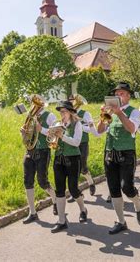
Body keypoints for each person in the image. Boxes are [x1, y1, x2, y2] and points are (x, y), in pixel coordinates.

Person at [97, 82, 140, 235]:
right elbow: (99, 131)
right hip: (110, 153)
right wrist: (102, 116)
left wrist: (119, 113)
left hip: (126, 154)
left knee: (127, 188)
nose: (118, 96)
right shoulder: (110, 112)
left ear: (128, 96)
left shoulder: (133, 111)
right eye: (116, 94)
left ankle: (138, 205)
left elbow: (132, 129)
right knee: (114, 189)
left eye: (122, 93)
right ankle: (121, 221)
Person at [51, 100, 87, 233]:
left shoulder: (77, 124)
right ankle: (61, 221)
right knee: (59, 190)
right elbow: (53, 141)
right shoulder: (58, 124)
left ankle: (83, 210)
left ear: (71, 112)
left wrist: (62, 136)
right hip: (59, 159)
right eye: (61, 112)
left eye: (64, 111)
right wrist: (51, 135)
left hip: (73, 159)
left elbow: (77, 142)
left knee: (73, 189)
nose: (62, 114)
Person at [20, 95, 58, 224]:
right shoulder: (30, 116)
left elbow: (56, 133)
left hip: (43, 151)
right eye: (33, 102)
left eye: (36, 103)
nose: (34, 105)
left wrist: (42, 130)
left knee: (42, 181)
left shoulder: (50, 115)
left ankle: (55, 200)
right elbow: (27, 137)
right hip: (30, 150)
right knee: (27, 181)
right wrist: (24, 133)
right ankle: (32, 212)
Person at [67, 94, 100, 203]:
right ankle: (75, 193)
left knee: (83, 168)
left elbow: (92, 130)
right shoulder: (69, 113)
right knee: (73, 169)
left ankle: (90, 182)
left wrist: (80, 126)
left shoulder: (86, 114)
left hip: (83, 143)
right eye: (70, 100)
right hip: (71, 143)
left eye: (73, 100)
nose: (71, 102)